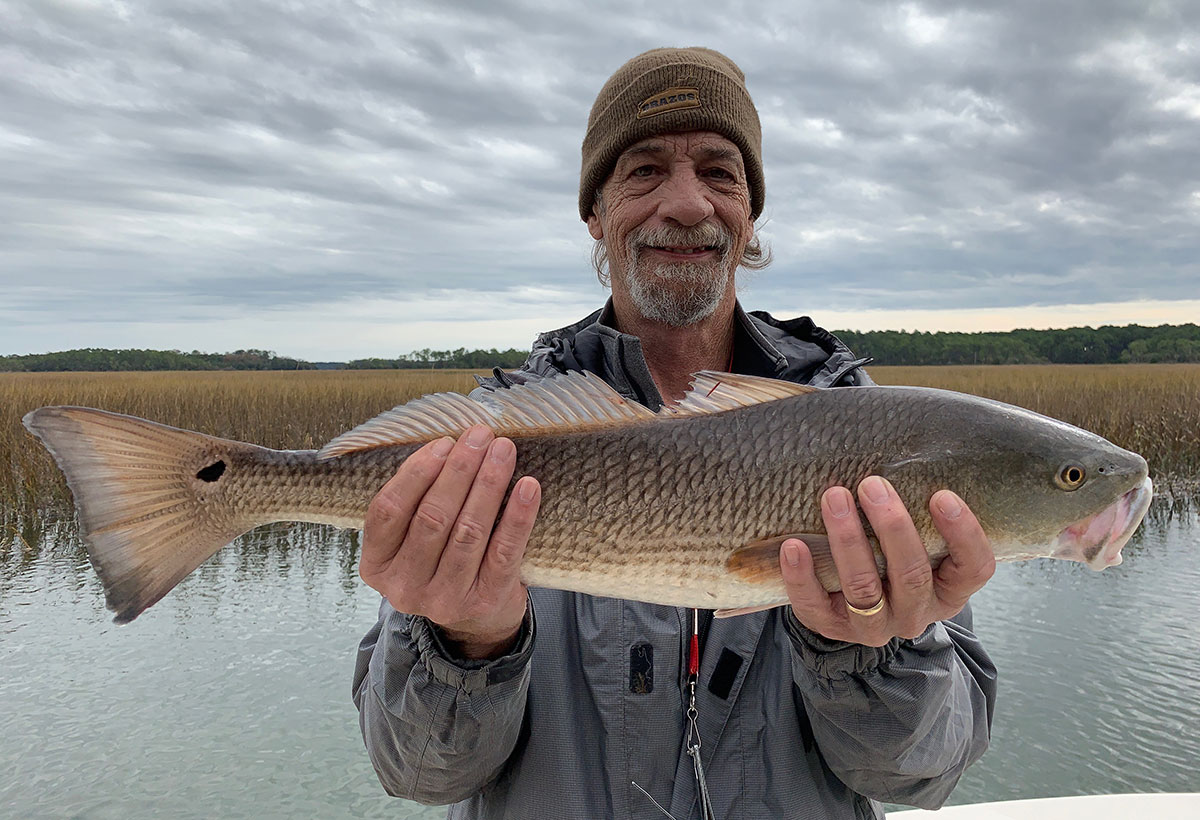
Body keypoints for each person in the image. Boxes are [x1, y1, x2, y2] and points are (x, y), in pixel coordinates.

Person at [352, 47, 998, 819]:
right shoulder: (489, 444)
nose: (687, 204)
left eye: (720, 172)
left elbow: (922, 776)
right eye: (645, 170)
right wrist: (467, 644)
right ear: (594, 210)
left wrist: (867, 649)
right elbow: (418, 773)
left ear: (750, 210)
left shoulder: (871, 436)